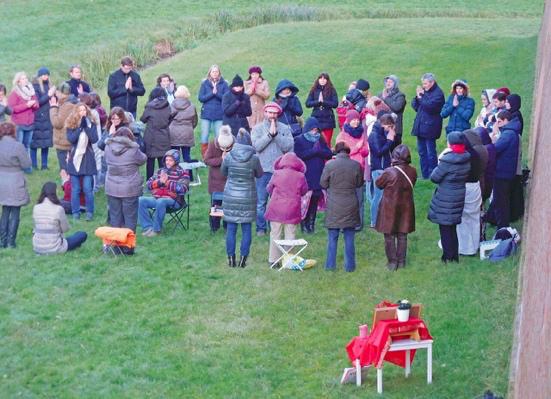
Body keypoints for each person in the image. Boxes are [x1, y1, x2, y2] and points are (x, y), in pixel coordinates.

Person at [251, 102, 294, 236]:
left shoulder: (285, 128)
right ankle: (261, 228)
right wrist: (269, 135)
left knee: (277, 202)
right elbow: (257, 146)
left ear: (278, 114)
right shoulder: (257, 129)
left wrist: (276, 136)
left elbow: (289, 146)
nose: (272, 115)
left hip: (280, 172)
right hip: (263, 171)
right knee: (261, 202)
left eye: (274, 113)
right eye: (269, 112)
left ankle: (274, 228)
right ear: (265, 113)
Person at [221, 129, 263, 267]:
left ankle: (231, 259)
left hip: (231, 196)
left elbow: (223, 172)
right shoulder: (254, 158)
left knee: (231, 229)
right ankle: (243, 260)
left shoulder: (228, 156)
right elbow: (259, 174)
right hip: (247, 196)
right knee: (246, 229)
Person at [428, 131, 471, 263]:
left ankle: (447, 257)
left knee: (445, 228)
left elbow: (434, 177)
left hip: (446, 197)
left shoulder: (447, 160)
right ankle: (454, 256)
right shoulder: (466, 157)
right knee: (452, 227)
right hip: (458, 195)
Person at [320, 142, 364, 272]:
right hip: (350, 203)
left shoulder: (329, 165)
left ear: (337, 152)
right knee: (349, 237)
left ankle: (330, 266)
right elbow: (359, 183)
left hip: (334, 204)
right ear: (348, 152)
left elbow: (323, 183)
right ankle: (350, 266)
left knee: (332, 237)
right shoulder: (356, 165)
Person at [375, 145, 417, 270]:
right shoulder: (413, 171)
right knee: (402, 234)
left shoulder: (389, 172)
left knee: (389, 235)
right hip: (406, 206)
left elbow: (378, 184)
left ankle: (392, 262)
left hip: (390, 207)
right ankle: (402, 261)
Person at [265, 152, 308, 266]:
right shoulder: (300, 176)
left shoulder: (276, 174)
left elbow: (269, 188)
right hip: (292, 209)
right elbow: (304, 191)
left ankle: (273, 260)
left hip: (276, 207)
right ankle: (288, 260)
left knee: (275, 233)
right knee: (290, 234)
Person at [138, 149, 190, 237]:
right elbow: (148, 185)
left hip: (174, 201)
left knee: (161, 201)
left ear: (176, 161)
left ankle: (156, 230)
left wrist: (167, 183)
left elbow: (183, 189)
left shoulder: (182, 173)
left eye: (170, 160)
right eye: (166, 160)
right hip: (157, 198)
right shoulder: (159, 171)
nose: (168, 162)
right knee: (140, 200)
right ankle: (148, 227)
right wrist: (159, 182)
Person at [294, 116, 332, 233]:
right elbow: (299, 155)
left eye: (316, 129)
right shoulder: (299, 140)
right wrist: (313, 151)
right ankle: (304, 225)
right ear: (307, 128)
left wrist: (319, 151)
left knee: (315, 200)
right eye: (313, 129)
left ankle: (311, 225)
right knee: (305, 202)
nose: (315, 132)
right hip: (306, 175)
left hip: (318, 175)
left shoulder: (320, 139)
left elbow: (329, 154)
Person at [104, 127, 147, 232]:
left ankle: (116, 244)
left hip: (111, 187)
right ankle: (128, 246)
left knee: (115, 217)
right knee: (130, 218)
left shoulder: (108, 147)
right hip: (129, 188)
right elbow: (143, 159)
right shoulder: (134, 150)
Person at [335, 110, 369, 230]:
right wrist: (356, 148)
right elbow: (340, 152)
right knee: (347, 198)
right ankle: (346, 223)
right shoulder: (342, 136)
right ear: (348, 121)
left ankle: (358, 223)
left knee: (359, 197)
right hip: (346, 170)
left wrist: (364, 149)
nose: (356, 122)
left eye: (357, 120)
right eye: (353, 120)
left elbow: (365, 151)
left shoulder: (362, 133)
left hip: (359, 169)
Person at [486, 111, 520, 228]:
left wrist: (495, 134)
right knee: (499, 201)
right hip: (505, 172)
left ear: (506, 120)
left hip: (502, 174)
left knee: (501, 204)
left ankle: (503, 229)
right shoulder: (509, 132)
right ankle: (494, 220)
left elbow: (495, 149)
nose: (498, 124)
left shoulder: (508, 134)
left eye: (499, 122)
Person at [32, 182, 88, 254]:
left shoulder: (36, 208)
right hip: (55, 247)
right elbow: (65, 229)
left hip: (37, 247)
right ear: (54, 193)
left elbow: (35, 227)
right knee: (82, 234)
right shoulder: (58, 209)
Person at [65, 103, 99, 221]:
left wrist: (87, 127)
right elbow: (71, 139)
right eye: (80, 111)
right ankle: (75, 212)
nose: (82, 112)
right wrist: (80, 128)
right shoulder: (71, 125)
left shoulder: (91, 124)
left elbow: (94, 139)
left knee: (87, 188)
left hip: (87, 159)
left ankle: (89, 212)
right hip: (75, 159)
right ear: (76, 112)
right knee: (75, 189)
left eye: (84, 110)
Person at [0, 122, 31, 248]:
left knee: (5, 211)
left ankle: (2, 241)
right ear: (13, 132)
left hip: (1, 179)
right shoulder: (18, 146)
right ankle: (11, 242)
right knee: (15, 212)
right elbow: (27, 164)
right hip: (15, 180)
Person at [457, 129, 488, 255]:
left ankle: (466, 248)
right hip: (476, 187)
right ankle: (475, 245)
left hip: (467, 188)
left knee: (463, 218)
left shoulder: (466, 156)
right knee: (475, 217)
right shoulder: (478, 153)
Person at [411, 73, 445, 179]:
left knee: (430, 153)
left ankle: (433, 175)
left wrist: (421, 96)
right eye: (423, 83)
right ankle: (425, 175)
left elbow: (430, 107)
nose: (423, 85)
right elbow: (416, 106)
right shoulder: (425, 92)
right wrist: (417, 97)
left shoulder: (438, 94)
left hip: (430, 128)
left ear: (432, 82)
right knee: (422, 152)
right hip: (421, 126)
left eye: (425, 83)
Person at [368, 113, 397, 228]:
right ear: (384, 124)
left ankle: (383, 219)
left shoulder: (381, 132)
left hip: (385, 167)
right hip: (378, 169)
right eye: (389, 127)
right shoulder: (374, 135)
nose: (389, 129)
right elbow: (379, 151)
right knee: (378, 196)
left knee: (385, 196)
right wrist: (389, 141)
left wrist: (392, 137)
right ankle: (374, 221)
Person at [204, 125, 232, 232]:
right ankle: (214, 227)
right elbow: (207, 160)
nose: (225, 149)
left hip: (230, 181)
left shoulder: (235, 144)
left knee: (229, 205)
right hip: (215, 181)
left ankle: (227, 227)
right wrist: (221, 159)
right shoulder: (212, 144)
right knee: (215, 205)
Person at [198, 64, 229, 156]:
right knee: (204, 136)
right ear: (210, 73)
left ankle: (218, 156)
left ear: (219, 73)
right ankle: (205, 157)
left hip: (219, 114)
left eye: (216, 71)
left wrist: (217, 93)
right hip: (206, 114)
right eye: (213, 71)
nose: (215, 73)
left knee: (219, 137)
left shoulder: (224, 84)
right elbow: (201, 98)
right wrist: (212, 93)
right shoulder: (204, 84)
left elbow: (226, 98)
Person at [141, 87, 171, 180]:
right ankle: (164, 181)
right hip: (164, 137)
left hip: (151, 138)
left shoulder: (150, 107)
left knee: (150, 162)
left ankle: (149, 182)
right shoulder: (168, 106)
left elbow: (143, 119)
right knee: (163, 162)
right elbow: (170, 119)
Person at [8, 72, 39, 153]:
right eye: (23, 79)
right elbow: (12, 109)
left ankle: (27, 165)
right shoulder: (15, 93)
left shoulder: (31, 91)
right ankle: (16, 165)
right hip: (19, 124)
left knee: (27, 146)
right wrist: (26, 105)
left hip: (30, 123)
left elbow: (37, 105)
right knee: (18, 146)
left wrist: (34, 104)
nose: (25, 80)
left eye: (26, 78)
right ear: (18, 81)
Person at [31, 67, 56, 170]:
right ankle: (34, 165)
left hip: (48, 117)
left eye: (47, 75)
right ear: (39, 76)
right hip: (38, 117)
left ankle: (44, 166)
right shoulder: (35, 86)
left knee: (46, 143)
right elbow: (38, 102)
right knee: (35, 144)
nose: (45, 77)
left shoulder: (49, 85)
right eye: (43, 75)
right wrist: (49, 94)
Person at [305, 72, 338, 147]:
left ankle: (327, 158)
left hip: (328, 120)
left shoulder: (332, 90)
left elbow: (335, 104)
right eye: (321, 78)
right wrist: (318, 102)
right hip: (316, 119)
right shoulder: (314, 90)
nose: (322, 80)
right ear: (318, 79)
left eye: (324, 78)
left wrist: (324, 102)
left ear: (327, 80)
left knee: (326, 142)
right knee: (315, 142)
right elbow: (308, 103)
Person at [50, 82, 77, 171]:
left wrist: (53, 107)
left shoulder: (67, 105)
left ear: (59, 92)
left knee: (65, 170)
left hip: (64, 143)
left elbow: (57, 123)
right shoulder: (67, 102)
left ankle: (67, 184)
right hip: (67, 141)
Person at [506, 93, 525, 223]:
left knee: (515, 183)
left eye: (508, 102)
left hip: (514, 152)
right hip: (515, 151)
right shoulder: (514, 114)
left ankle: (516, 211)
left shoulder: (515, 116)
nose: (506, 104)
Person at [169, 85, 198, 166]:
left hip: (173, 133)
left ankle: (175, 175)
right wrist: (189, 127)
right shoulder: (192, 106)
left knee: (174, 157)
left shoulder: (172, 105)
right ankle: (189, 176)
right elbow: (195, 121)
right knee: (187, 157)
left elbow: (168, 119)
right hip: (187, 132)